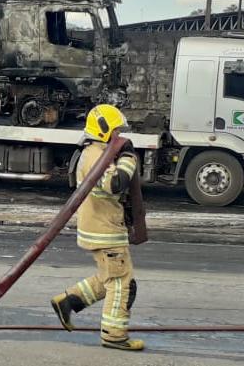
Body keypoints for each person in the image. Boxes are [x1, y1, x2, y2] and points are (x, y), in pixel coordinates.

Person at [50, 104, 145, 351]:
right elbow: (114, 184)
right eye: (116, 131)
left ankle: (69, 302)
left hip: (102, 227)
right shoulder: (95, 154)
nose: (120, 137)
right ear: (103, 130)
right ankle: (114, 335)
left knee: (110, 277)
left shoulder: (96, 151)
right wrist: (127, 157)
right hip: (105, 230)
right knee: (122, 284)